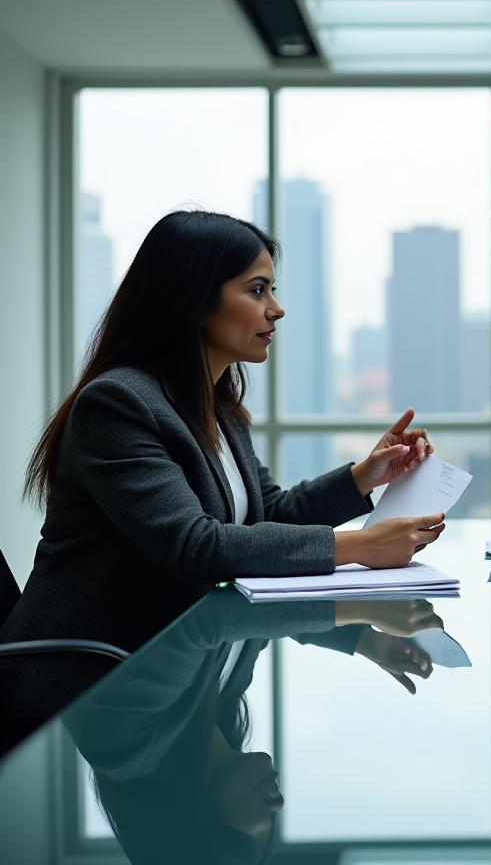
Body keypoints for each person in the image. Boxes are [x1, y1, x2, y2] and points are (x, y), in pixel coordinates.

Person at [0, 210, 445, 743]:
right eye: (257, 291)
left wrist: (363, 477)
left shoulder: (217, 408)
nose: (276, 310)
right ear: (193, 299)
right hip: (90, 688)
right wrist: (360, 547)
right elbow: (196, 546)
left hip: (172, 672)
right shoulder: (117, 405)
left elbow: (265, 515)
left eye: (271, 290)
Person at [64, 589, 448, 864]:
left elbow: (204, 620)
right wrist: (365, 640)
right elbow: (255, 618)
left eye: (246, 843)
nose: (278, 805)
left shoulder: (123, 748)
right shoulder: (227, 695)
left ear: (194, 833)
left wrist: (355, 609)